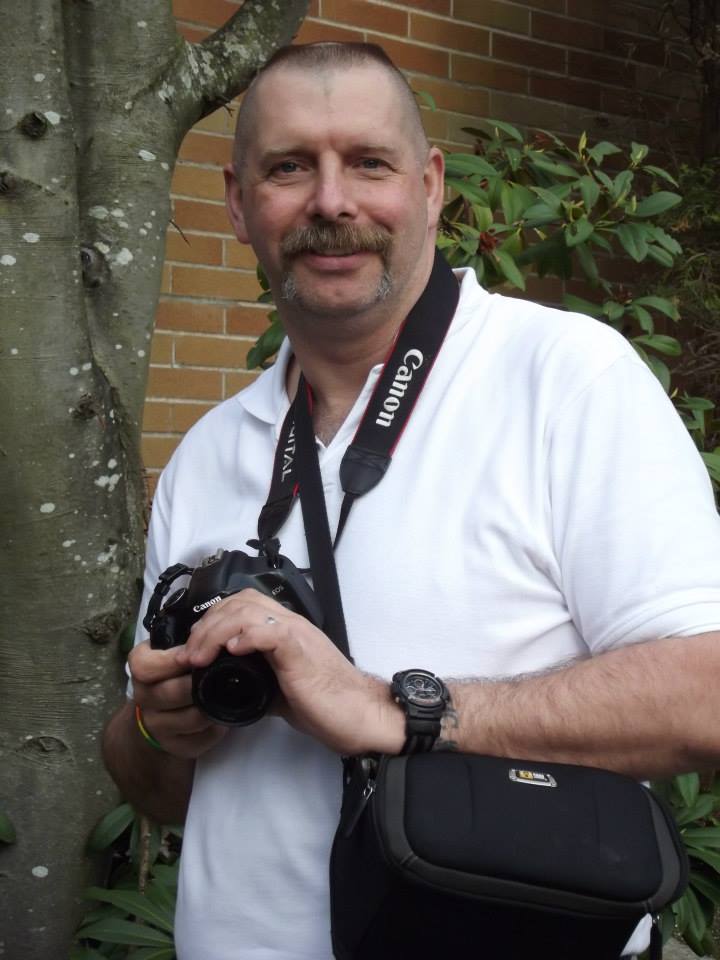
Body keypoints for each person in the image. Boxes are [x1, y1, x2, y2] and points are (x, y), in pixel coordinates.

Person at [102, 41, 720, 960]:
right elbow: (162, 787)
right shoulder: (205, 454)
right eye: (287, 168)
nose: (331, 202)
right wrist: (160, 723)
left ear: (429, 185)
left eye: (368, 162)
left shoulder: (565, 377)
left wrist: (400, 708)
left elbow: (704, 695)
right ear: (238, 202)